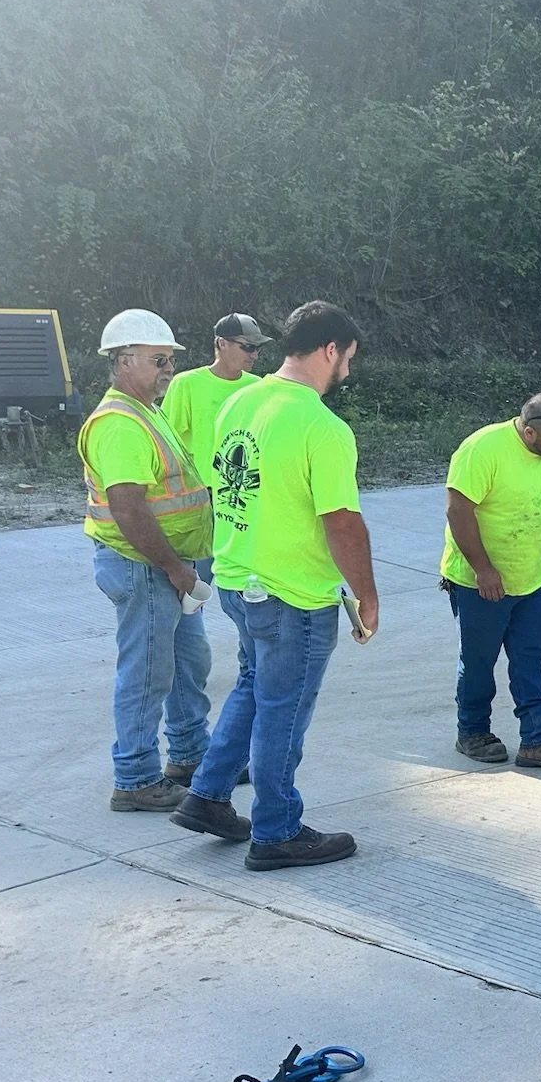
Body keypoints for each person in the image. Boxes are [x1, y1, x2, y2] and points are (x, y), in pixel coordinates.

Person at [170, 301, 378, 871]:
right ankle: (277, 830)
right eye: (349, 359)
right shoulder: (321, 426)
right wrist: (367, 593)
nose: (348, 373)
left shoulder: (241, 400)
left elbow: (228, 484)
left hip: (237, 578)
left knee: (254, 686)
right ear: (330, 349)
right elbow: (342, 521)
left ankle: (208, 795)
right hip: (294, 595)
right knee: (284, 708)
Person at [80, 309, 215, 813]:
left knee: (186, 663)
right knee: (147, 671)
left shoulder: (145, 411)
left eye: (171, 360)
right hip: (145, 565)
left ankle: (189, 756)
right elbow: (129, 509)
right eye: (159, 360)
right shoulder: (119, 423)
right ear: (123, 360)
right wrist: (176, 570)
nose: (168, 369)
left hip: (163, 564)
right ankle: (136, 777)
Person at [441, 393, 541, 770]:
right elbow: (458, 509)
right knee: (478, 661)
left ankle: (538, 741)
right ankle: (472, 732)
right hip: (480, 581)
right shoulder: (482, 449)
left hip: (532, 578)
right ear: (527, 433)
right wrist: (483, 569)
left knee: (530, 659)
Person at [160, 312, 272, 490]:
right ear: (222, 343)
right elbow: (166, 442)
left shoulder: (258, 386)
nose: (255, 355)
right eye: (249, 347)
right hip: (202, 490)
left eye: (258, 348)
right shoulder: (186, 384)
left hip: (249, 490)